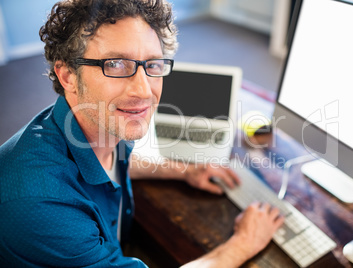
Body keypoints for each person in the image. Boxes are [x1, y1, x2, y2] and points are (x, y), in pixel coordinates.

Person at [0, 0, 284, 267]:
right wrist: (243, 243)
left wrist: (183, 171)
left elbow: (110, 161)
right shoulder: (42, 203)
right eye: (115, 64)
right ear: (68, 76)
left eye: (152, 65)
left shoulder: (96, 123)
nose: (144, 91)